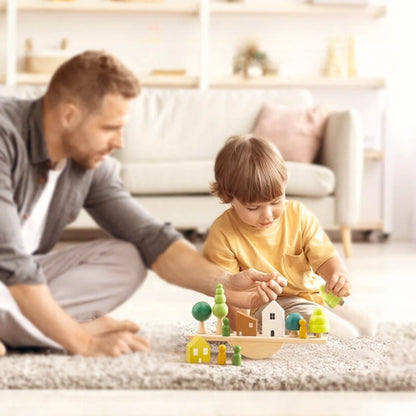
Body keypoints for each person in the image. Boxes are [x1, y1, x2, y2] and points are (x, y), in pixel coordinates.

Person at [0, 51, 286, 357]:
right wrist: (84, 343)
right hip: (10, 274)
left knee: (127, 258)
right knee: (21, 281)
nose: (119, 142)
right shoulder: (5, 135)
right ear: (69, 116)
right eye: (110, 128)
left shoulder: (88, 166)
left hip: (10, 286)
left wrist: (226, 284)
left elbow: (151, 238)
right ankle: (57, 331)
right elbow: (14, 264)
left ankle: (30, 330)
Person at [203, 135, 377, 338]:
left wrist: (337, 276)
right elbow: (230, 299)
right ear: (228, 197)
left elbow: (325, 258)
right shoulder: (223, 233)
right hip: (267, 306)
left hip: (314, 293)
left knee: (367, 326)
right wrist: (244, 323)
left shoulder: (298, 215)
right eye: (253, 207)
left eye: (276, 201)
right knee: (343, 333)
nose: (267, 215)